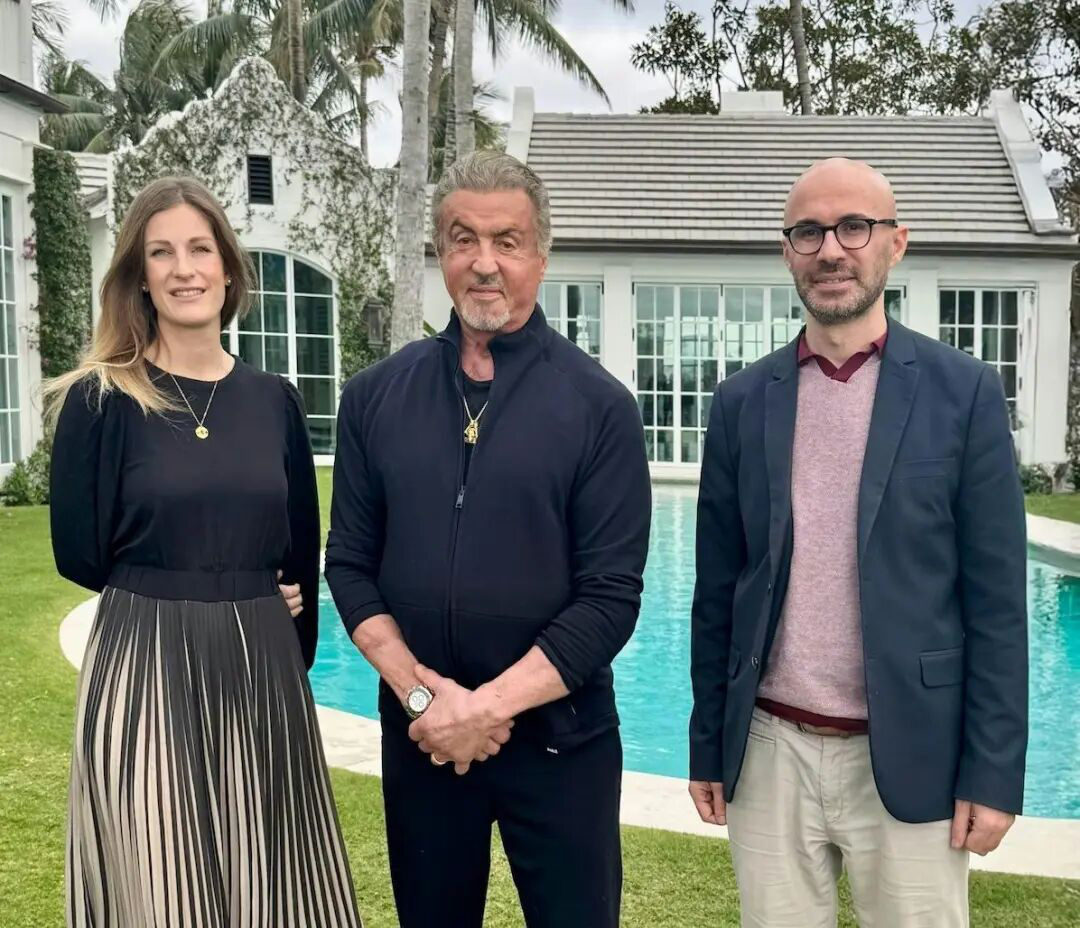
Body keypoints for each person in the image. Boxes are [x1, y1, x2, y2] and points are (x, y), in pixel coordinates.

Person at [688, 158, 1027, 928]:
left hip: (915, 750)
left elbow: (999, 606)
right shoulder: (741, 403)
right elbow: (718, 593)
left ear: (895, 243)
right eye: (808, 232)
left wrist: (993, 773)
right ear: (787, 252)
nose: (831, 250)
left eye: (853, 228)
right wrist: (709, 744)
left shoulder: (963, 393)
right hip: (769, 751)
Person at [325, 150, 651, 928]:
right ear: (440, 252)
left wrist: (484, 708)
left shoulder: (599, 408)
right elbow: (351, 566)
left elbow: (610, 597)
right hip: (424, 739)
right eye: (463, 239)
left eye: (507, 241)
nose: (484, 263)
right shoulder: (375, 398)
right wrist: (424, 698)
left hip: (562, 743)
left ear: (541, 254)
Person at [49, 176, 362, 927]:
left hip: (260, 665)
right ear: (140, 275)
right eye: (162, 253)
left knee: (269, 888)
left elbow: (299, 545)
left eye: (199, 249)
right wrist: (196, 574)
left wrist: (257, 592)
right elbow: (79, 552)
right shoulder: (101, 398)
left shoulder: (275, 400)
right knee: (162, 886)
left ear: (228, 268)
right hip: (145, 659)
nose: (183, 269)